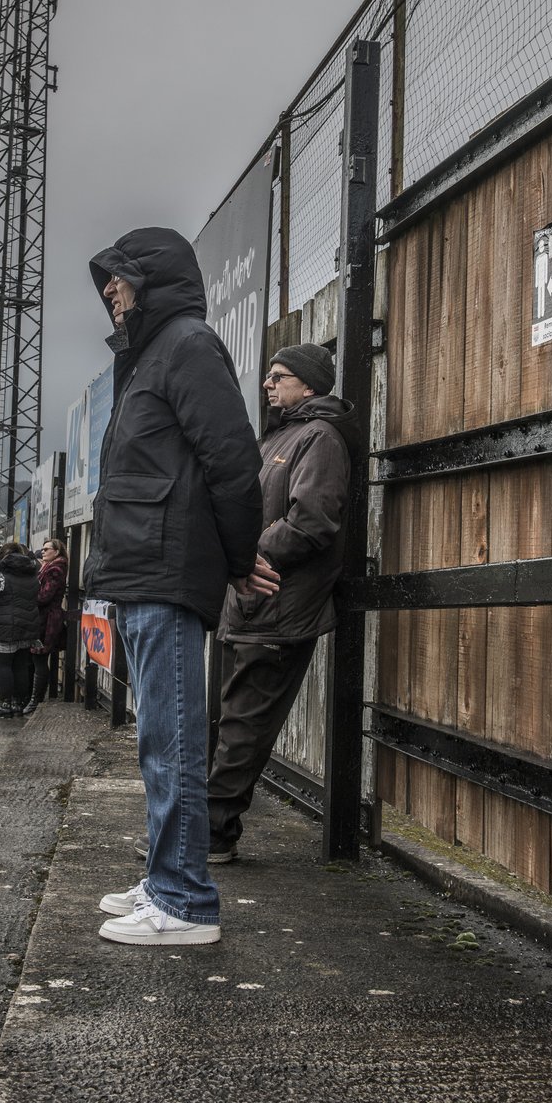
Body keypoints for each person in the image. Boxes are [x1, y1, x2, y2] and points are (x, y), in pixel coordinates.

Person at [85, 226, 268, 947]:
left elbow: (232, 458)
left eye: (120, 278)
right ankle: (167, 876)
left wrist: (237, 553)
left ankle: (185, 900)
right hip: (141, 570)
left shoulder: (187, 343)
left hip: (164, 570)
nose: (109, 291)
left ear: (152, 281)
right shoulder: (151, 356)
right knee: (158, 739)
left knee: (174, 743)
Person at [206, 343, 359, 862]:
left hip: (277, 608)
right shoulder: (281, 435)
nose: (269, 384)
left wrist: (249, 556)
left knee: (243, 730)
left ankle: (212, 837)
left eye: (280, 377)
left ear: (310, 386)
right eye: (268, 376)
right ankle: (197, 832)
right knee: (224, 724)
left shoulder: (320, 437)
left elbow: (313, 520)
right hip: (246, 606)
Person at [0, 542, 41, 719]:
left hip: (4, 626)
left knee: (3, 665)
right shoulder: (31, 573)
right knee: (21, 666)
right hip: (27, 625)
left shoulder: (0, 573)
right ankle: (18, 704)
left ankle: (5, 704)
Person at [26, 537, 67, 714]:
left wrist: (27, 596)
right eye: (42, 549)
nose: (42, 552)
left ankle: (35, 700)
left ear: (56, 552)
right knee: (37, 657)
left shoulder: (55, 569)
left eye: (46, 549)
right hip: (44, 617)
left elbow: (44, 596)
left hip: (47, 618)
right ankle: (34, 698)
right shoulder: (49, 567)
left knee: (40, 656)